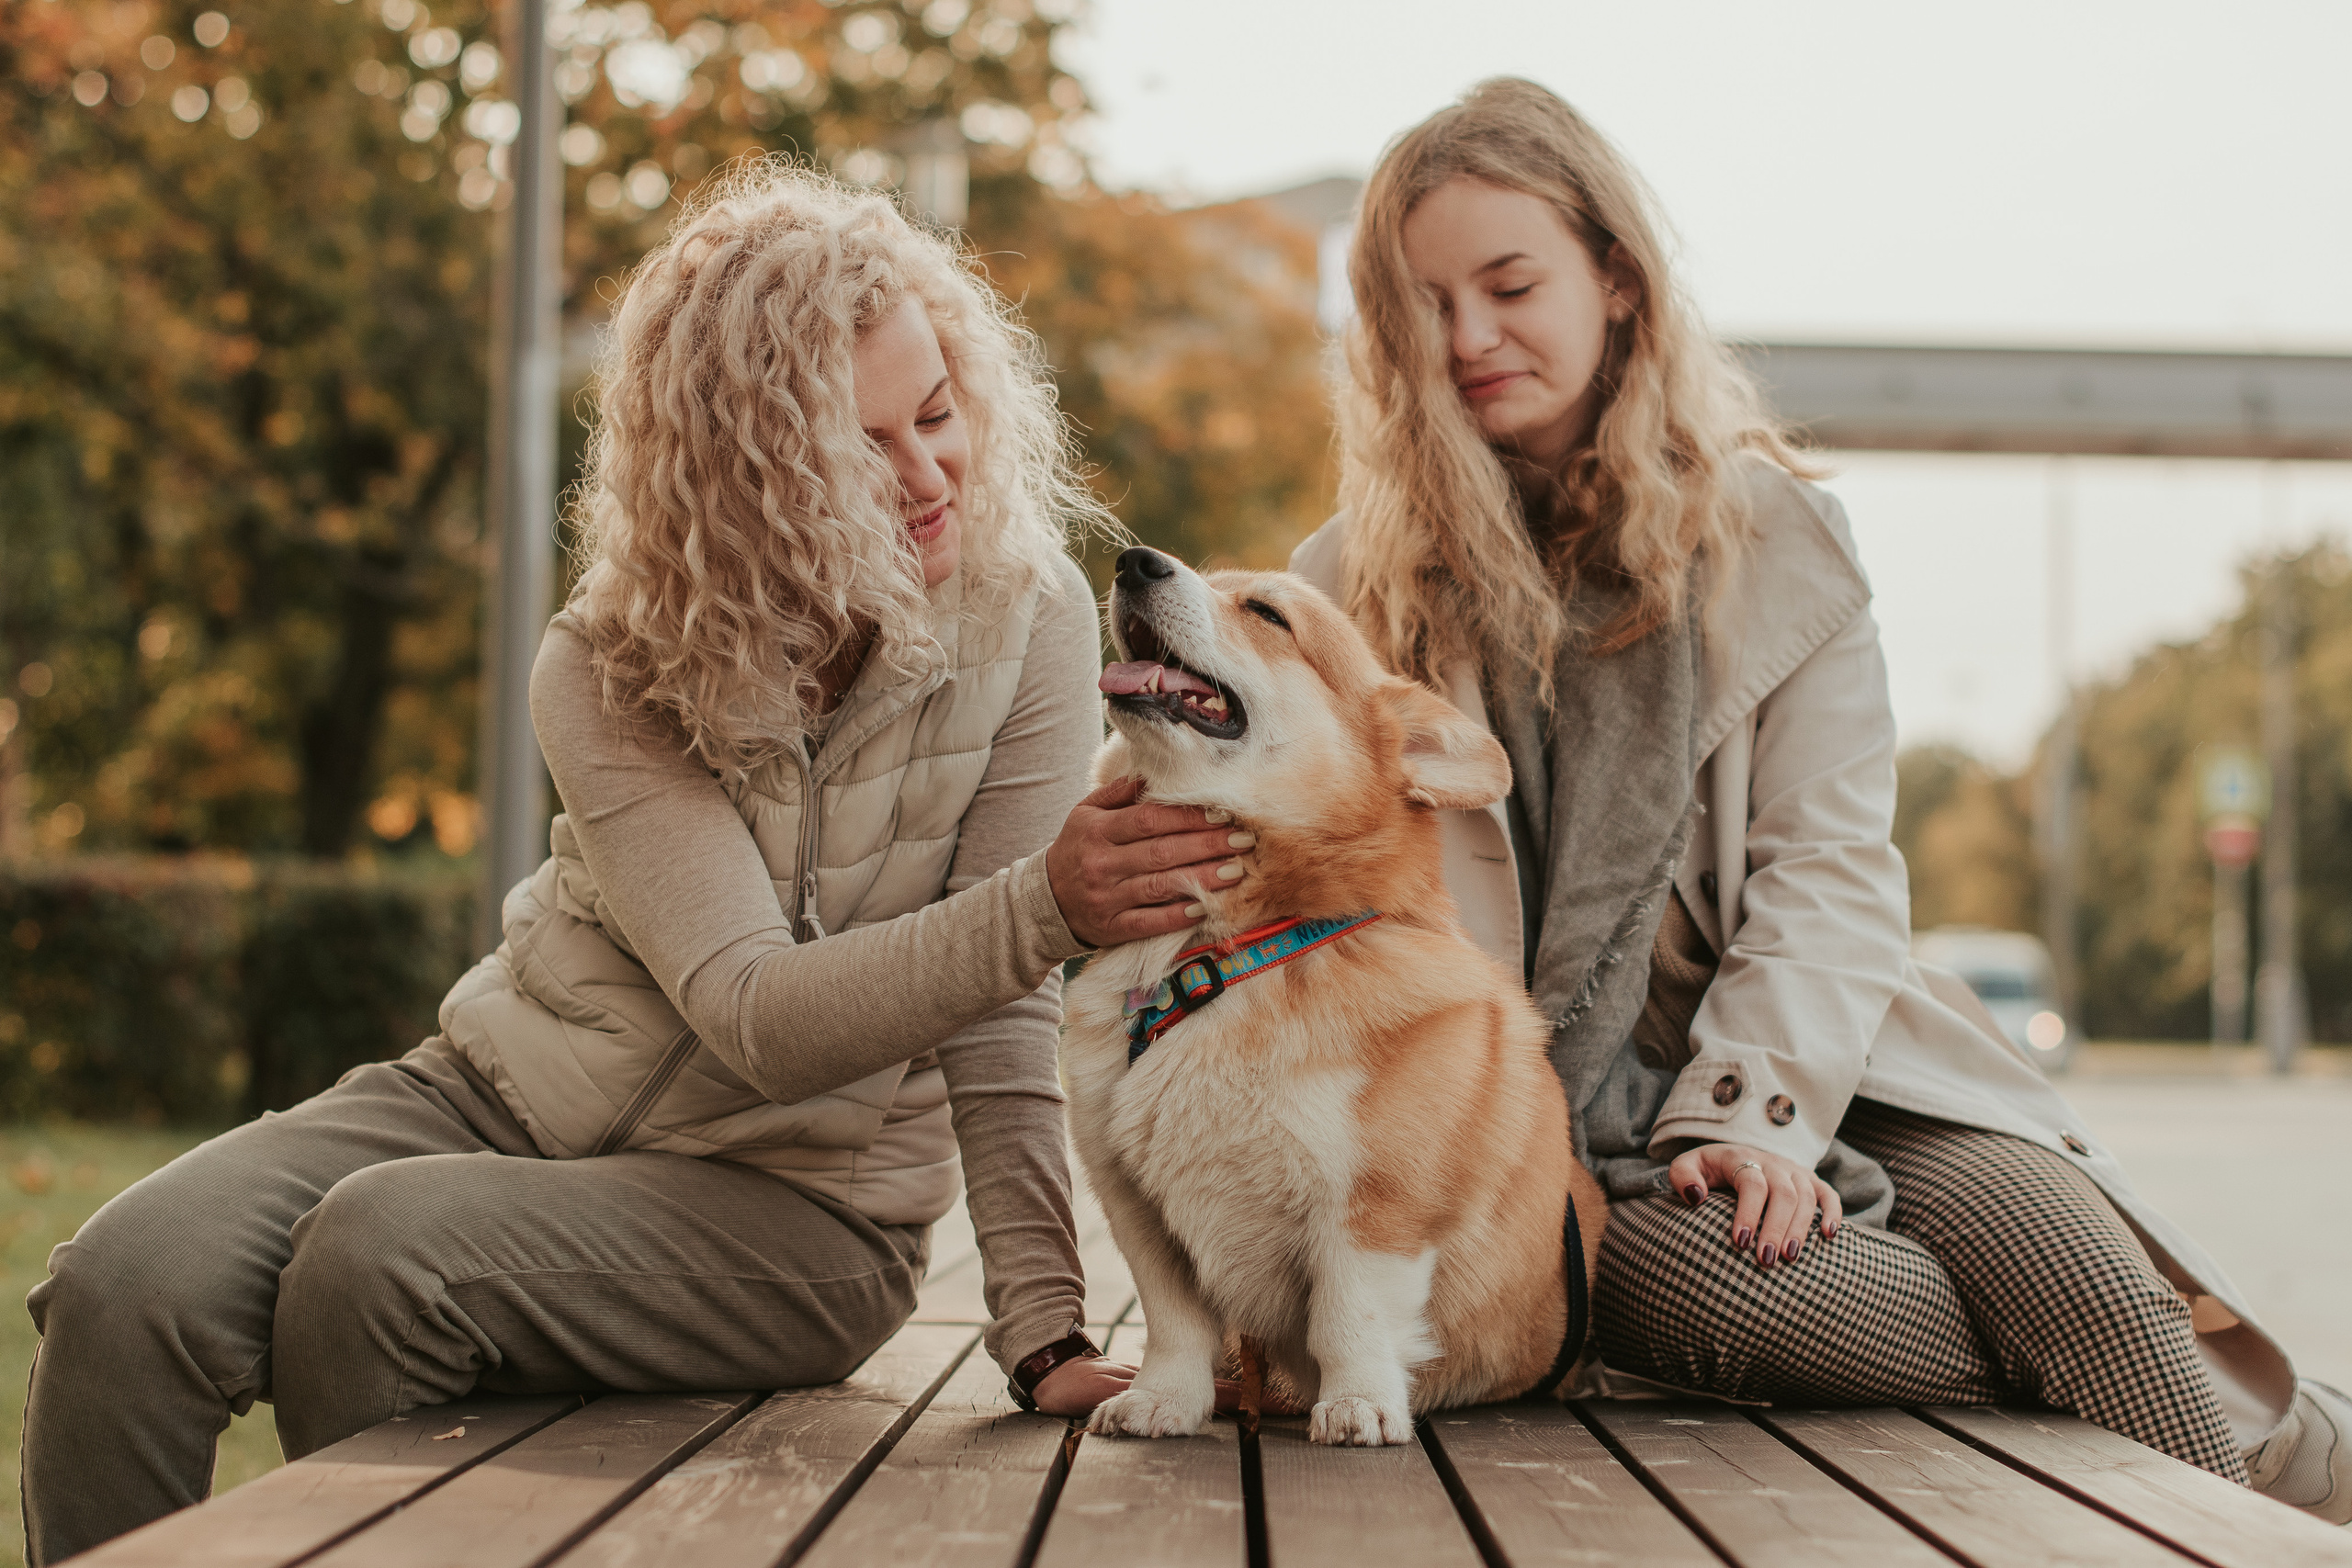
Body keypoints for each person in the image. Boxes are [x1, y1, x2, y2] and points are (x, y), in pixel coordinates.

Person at [19, 164, 1246, 1565]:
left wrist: (1042, 1331)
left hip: (802, 1213)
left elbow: (1001, 992)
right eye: (862, 450)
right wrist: (1044, 906)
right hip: (497, 1100)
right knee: (127, 1284)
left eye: (939, 413)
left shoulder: (1024, 623)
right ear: (748, 482)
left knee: (380, 1254)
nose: (927, 479)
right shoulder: (607, 661)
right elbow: (751, 1007)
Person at [1293, 77, 2347, 1517]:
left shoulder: (1777, 536)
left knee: (2067, 1266)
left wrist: (1745, 1116)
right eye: (1427, 307)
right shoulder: (1345, 592)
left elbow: (1825, 873)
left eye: (1510, 283)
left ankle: (2301, 1471)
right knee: (1726, 1298)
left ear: (1615, 274)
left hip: (1830, 1045)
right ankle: (2243, 1428)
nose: (1471, 338)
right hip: (1551, 1124)